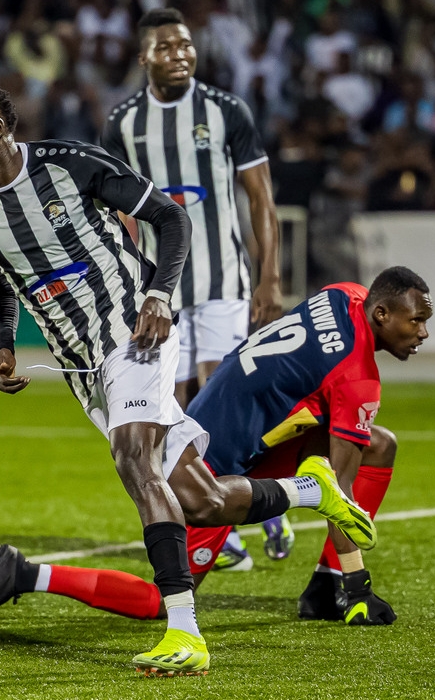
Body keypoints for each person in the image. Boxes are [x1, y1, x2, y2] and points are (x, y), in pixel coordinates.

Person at [0, 267, 432, 629]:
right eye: (416, 320)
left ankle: (324, 587)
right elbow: (342, 493)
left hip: (212, 417)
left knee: (378, 444)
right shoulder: (358, 379)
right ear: (381, 314)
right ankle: (27, 574)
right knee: (160, 599)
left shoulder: (345, 293)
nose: (423, 333)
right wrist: (360, 586)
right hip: (214, 465)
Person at [0, 80, 207, 676]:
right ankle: (310, 490)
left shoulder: (69, 165)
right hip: (81, 365)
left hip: (137, 332)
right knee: (201, 498)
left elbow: (169, 217)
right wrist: (4, 345)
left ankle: (184, 631)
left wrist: (160, 295)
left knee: (133, 458)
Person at [101, 8, 287, 570]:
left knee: (218, 400)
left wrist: (269, 276)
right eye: (167, 47)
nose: (180, 54)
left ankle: (248, 516)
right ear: (144, 57)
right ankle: (233, 513)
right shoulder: (123, 123)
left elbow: (261, 198)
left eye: (186, 45)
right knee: (172, 410)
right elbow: (116, 213)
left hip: (223, 280)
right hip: (160, 288)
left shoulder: (226, 110)